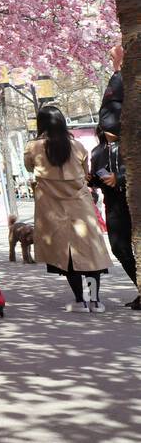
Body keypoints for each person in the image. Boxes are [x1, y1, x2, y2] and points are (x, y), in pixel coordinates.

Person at [25, 107, 113, 312]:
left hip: (51, 207)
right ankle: (95, 300)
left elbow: (30, 168)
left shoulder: (33, 147)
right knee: (89, 254)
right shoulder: (78, 146)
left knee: (67, 255)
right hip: (80, 206)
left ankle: (79, 301)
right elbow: (85, 173)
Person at [90, 125, 138, 309]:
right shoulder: (98, 151)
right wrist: (92, 180)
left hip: (134, 199)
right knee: (119, 248)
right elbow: (97, 176)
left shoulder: (131, 144)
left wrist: (119, 178)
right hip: (113, 203)